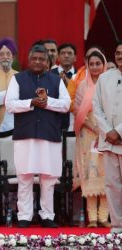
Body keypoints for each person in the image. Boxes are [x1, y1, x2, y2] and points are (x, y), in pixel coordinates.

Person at [5, 45, 70, 228]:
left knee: (48, 178)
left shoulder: (56, 80)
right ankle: (24, 216)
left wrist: (47, 102)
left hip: (49, 135)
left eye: (42, 59)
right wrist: (31, 103)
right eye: (35, 58)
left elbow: (66, 105)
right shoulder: (17, 79)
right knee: (24, 177)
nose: (38, 62)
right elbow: (10, 105)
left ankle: (47, 216)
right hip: (25, 135)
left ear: (47, 62)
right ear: (29, 59)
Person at [73, 51, 110, 228]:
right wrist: (94, 127)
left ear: (104, 65)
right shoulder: (82, 86)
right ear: (87, 65)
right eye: (92, 64)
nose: (95, 67)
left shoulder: (110, 85)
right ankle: (92, 219)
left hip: (108, 136)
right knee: (90, 176)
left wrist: (105, 129)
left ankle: (104, 217)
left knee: (106, 176)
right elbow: (78, 113)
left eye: (98, 63)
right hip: (88, 136)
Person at [93, 41, 122, 234]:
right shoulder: (104, 78)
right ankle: (117, 225)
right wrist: (108, 131)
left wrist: (119, 131)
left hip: (117, 136)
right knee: (112, 185)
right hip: (109, 142)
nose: (120, 56)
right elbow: (97, 107)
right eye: (118, 52)